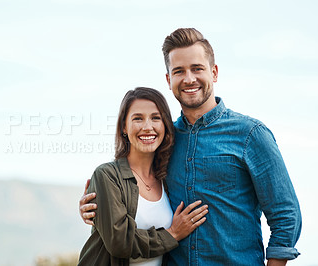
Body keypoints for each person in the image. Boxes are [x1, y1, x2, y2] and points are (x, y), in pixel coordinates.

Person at [79, 28, 302, 266]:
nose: (188, 79)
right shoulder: (165, 140)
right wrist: (96, 208)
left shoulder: (250, 135)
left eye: (197, 68)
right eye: (179, 71)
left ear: (214, 73)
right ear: (169, 80)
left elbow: (286, 215)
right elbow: (135, 186)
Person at [78, 87, 209, 266]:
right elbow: (120, 242)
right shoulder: (107, 176)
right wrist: (173, 234)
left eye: (156, 118)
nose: (148, 127)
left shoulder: (168, 178)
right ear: (124, 126)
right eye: (138, 118)